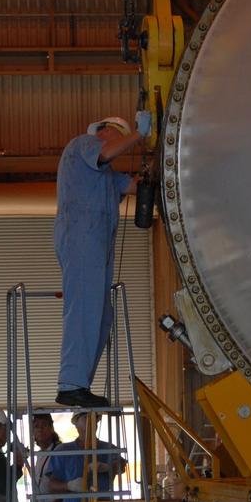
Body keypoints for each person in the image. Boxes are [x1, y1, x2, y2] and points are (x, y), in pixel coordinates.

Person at [53, 114, 150, 409]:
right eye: (118, 135)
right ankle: (70, 384)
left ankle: (80, 384)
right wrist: (139, 134)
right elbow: (107, 152)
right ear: (106, 131)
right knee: (84, 308)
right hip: (81, 239)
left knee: (100, 315)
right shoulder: (83, 145)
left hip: (97, 245)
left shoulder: (106, 175)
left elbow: (133, 186)